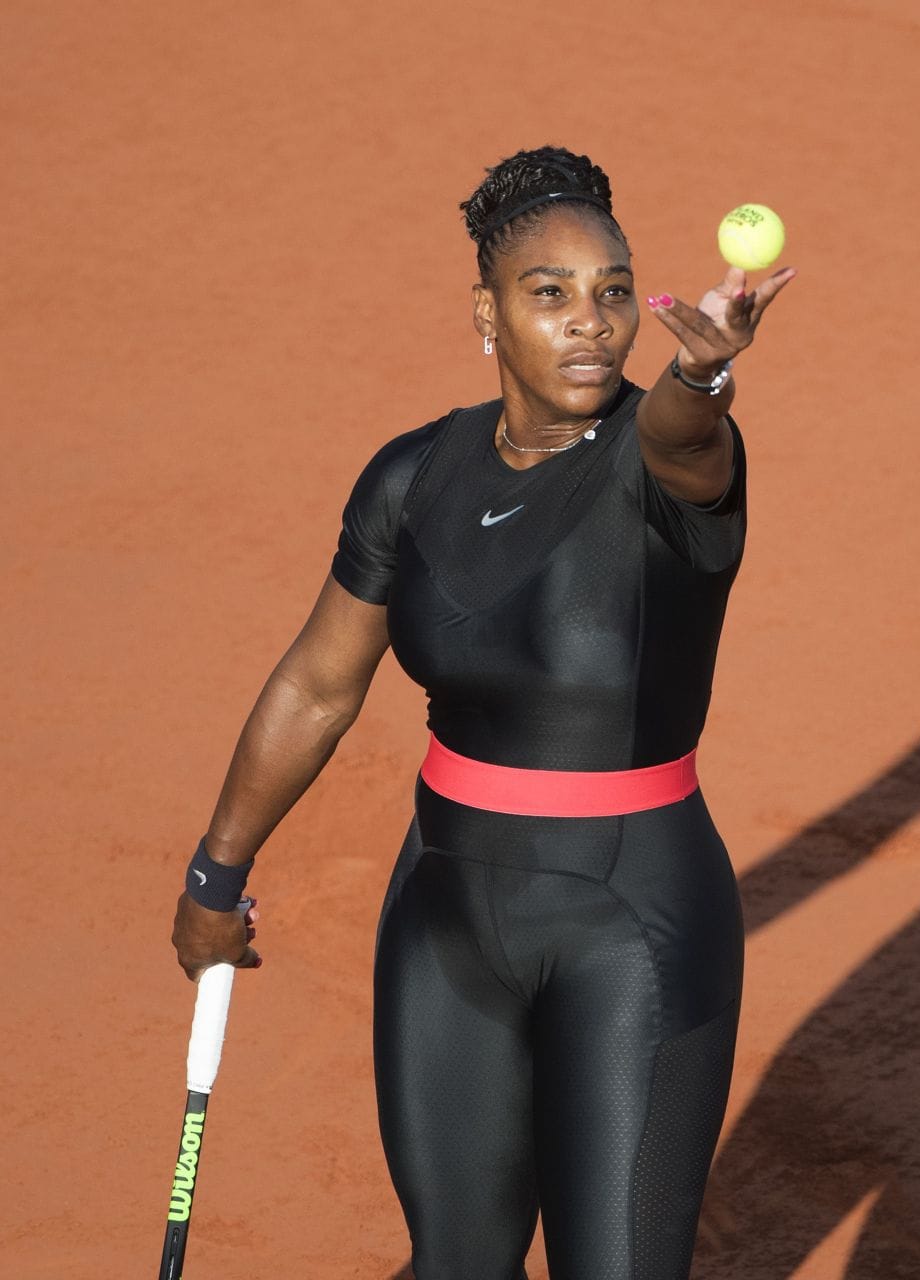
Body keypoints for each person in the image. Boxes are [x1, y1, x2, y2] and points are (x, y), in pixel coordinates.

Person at [168, 145, 796, 1279]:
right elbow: (319, 682)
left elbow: (684, 433)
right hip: (446, 915)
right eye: (550, 293)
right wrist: (217, 875)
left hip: (636, 925)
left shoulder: (664, 464)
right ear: (486, 314)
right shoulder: (414, 478)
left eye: (613, 292)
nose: (590, 320)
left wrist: (702, 379)